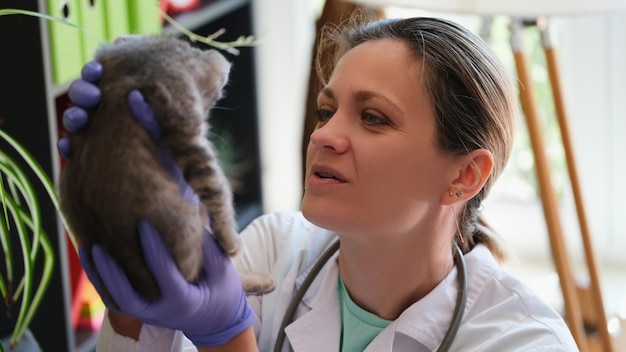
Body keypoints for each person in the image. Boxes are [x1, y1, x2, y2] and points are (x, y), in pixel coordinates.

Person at [60, 15, 579, 352]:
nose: (325, 135)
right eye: (325, 110)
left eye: (373, 118)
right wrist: (129, 255)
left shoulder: (524, 341)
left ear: (465, 175)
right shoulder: (271, 247)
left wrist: (228, 337)